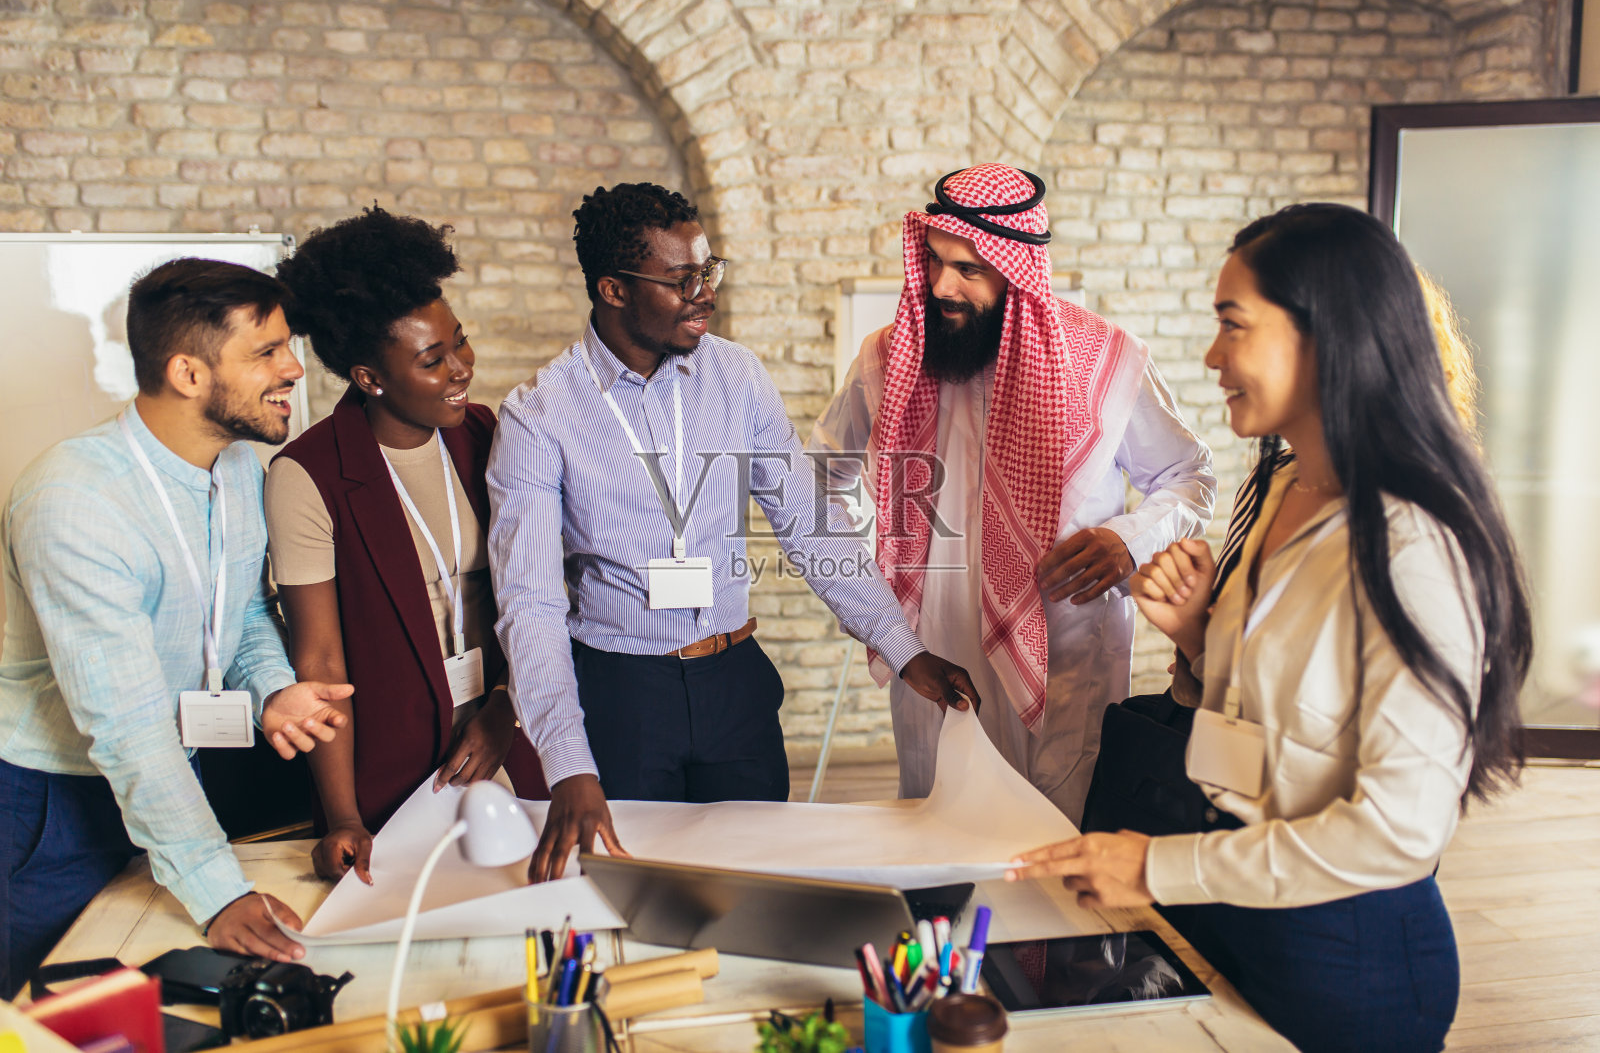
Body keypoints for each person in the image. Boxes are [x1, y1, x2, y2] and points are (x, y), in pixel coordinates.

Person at [1009, 203, 1532, 1053]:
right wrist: (1196, 637)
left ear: (1326, 335)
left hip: (1346, 952)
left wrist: (1152, 866)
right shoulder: (1290, 492)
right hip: (1233, 898)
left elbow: (1398, 831)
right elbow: (1275, 716)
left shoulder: (1411, 541)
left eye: (1232, 325)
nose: (1212, 356)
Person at [489, 182, 980, 881]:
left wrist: (903, 648)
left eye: (708, 270)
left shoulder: (737, 375)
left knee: (755, 887)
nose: (704, 293)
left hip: (736, 689)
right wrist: (567, 761)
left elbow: (810, 524)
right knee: (638, 895)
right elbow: (530, 603)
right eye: (681, 279)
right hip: (622, 697)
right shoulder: (538, 416)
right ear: (613, 289)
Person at [810, 163, 1215, 822]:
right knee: (944, 862)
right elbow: (819, 483)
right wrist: (881, 613)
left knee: (1056, 863)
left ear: (1018, 269)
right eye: (937, 262)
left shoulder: (1106, 363)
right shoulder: (888, 358)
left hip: (1063, 661)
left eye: (970, 270)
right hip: (933, 662)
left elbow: (1190, 476)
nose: (943, 285)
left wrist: (1128, 540)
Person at [0, 259, 353, 998]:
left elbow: (244, 614)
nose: (294, 367)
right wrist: (215, 888)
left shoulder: (239, 473)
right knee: (46, 1011)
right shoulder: (74, 500)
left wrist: (271, 691)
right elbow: (126, 724)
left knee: (158, 1004)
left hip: (173, 775)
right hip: (51, 805)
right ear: (188, 373)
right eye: (267, 352)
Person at [267, 207, 548, 886]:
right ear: (369, 377)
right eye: (432, 359)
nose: (461, 368)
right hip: (390, 768)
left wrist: (505, 708)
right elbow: (322, 660)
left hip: (510, 735)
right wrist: (341, 816)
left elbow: (535, 594)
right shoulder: (310, 472)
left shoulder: (485, 433)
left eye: (460, 342)